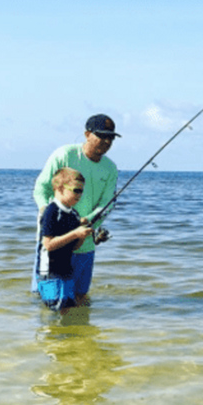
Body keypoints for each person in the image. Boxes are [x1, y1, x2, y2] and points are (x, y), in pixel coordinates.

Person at [32, 113, 120, 303]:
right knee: (47, 297)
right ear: (87, 134)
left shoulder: (111, 168)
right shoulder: (64, 155)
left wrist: (86, 221)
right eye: (101, 135)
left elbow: (108, 203)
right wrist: (51, 215)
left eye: (110, 137)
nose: (106, 141)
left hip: (85, 240)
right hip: (55, 241)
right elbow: (41, 189)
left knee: (80, 297)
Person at [35, 168, 94, 310]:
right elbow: (48, 244)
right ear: (60, 188)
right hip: (50, 273)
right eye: (76, 190)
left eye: (82, 191)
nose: (80, 195)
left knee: (68, 309)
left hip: (66, 271)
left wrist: (82, 235)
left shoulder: (73, 214)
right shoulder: (51, 212)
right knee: (54, 310)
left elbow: (75, 247)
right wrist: (75, 234)